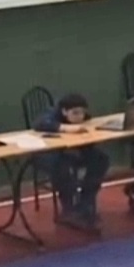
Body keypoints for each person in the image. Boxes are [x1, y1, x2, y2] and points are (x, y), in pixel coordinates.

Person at [31, 93, 111, 231]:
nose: (79, 116)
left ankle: (85, 202)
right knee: (62, 166)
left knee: (101, 159)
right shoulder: (51, 115)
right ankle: (68, 210)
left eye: (82, 113)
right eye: (75, 113)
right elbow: (39, 123)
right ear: (64, 111)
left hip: (73, 151)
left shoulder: (83, 117)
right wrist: (65, 128)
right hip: (49, 154)